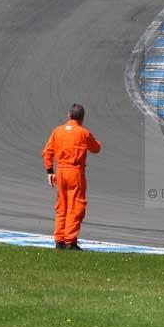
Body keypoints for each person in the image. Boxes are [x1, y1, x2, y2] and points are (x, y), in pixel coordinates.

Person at [42, 103, 102, 250]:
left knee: (62, 206)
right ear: (82, 118)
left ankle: (59, 240)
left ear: (68, 116)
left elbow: (47, 152)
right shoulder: (83, 133)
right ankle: (70, 241)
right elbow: (96, 149)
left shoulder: (57, 131)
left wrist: (50, 171)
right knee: (76, 206)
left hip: (60, 171)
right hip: (75, 172)